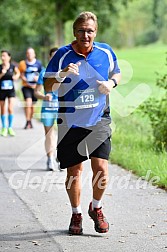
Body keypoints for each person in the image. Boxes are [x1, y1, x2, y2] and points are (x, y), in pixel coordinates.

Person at [44, 11, 121, 235]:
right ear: (74, 32)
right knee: (74, 172)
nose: (85, 35)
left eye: (90, 30)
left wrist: (111, 83)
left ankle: (96, 208)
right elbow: (48, 86)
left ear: (95, 32)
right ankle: (76, 213)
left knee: (102, 168)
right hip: (70, 122)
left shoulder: (105, 51)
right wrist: (61, 74)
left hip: (99, 119)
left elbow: (117, 72)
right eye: (81, 30)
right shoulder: (62, 54)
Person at [34, 47, 60, 171]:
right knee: (49, 134)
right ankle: (50, 159)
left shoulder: (65, 73)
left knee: (63, 135)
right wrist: (44, 96)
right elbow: (36, 92)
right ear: (49, 58)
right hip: (48, 108)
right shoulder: (44, 72)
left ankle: (60, 157)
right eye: (53, 56)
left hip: (62, 109)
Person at [19, 47, 42, 129]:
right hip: (26, 87)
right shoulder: (23, 63)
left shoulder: (38, 64)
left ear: (34, 54)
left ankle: (30, 120)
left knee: (32, 106)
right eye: (28, 53)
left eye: (31, 53)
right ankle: (27, 121)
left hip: (35, 87)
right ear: (26, 54)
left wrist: (38, 78)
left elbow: (41, 74)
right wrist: (24, 78)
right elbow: (20, 74)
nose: (29, 55)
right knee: (28, 103)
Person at [0, 50, 20, 136]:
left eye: (4, 56)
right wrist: (2, 73)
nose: (2, 57)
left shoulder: (12, 66)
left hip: (11, 90)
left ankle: (10, 128)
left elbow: (18, 72)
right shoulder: (0, 67)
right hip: (1, 90)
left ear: (9, 57)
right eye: (2, 56)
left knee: (10, 108)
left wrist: (16, 76)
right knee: (3, 109)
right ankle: (4, 127)